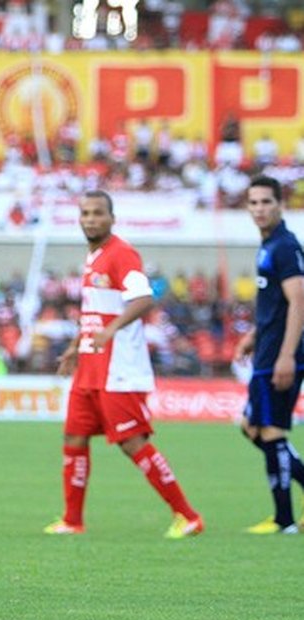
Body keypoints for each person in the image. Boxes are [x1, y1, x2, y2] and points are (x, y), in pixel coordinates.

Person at [46, 191, 203, 539]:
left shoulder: (121, 253)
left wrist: (111, 330)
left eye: (98, 213)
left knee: (132, 442)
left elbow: (144, 298)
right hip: (90, 365)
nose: (90, 218)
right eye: (85, 212)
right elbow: (92, 312)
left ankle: (188, 515)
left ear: (111, 218)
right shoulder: (93, 258)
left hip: (118, 369)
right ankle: (73, 520)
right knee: (73, 436)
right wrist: (75, 347)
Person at [233, 176, 304, 534]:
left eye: (266, 202)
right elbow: (274, 306)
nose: (259, 209)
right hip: (266, 350)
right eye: (253, 203)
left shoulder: (284, 247)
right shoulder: (268, 246)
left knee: (271, 431)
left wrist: (287, 355)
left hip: (280, 355)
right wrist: (254, 335)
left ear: (280, 204)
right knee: (252, 428)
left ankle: (284, 520)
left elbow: (299, 301)